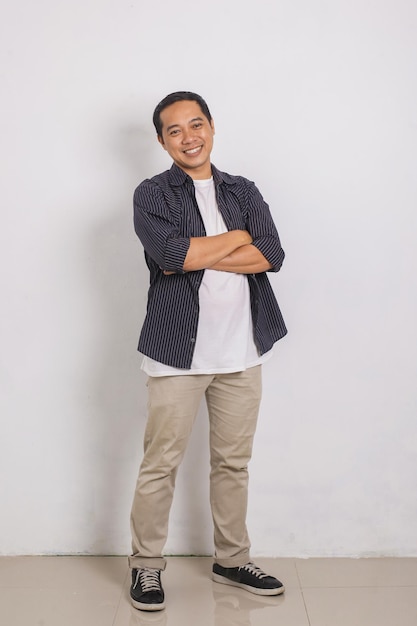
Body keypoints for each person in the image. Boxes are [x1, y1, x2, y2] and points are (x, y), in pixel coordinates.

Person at [129, 91, 287, 612]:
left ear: (212, 128)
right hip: (177, 353)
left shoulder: (242, 189)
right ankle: (146, 567)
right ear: (161, 141)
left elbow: (272, 255)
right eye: (175, 130)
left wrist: (205, 253)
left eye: (196, 125)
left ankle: (232, 558)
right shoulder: (152, 194)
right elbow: (172, 254)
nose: (188, 137)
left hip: (242, 351)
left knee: (233, 463)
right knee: (161, 463)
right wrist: (236, 239)